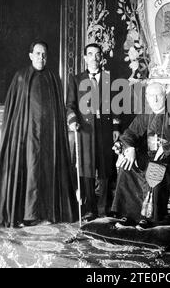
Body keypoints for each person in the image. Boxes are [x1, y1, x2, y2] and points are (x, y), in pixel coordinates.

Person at [0, 41, 78, 228]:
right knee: (29, 172)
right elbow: (14, 111)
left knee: (46, 173)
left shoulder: (53, 78)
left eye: (44, 54)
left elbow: (58, 110)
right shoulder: (21, 78)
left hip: (48, 138)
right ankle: (27, 215)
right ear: (31, 55)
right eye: (37, 54)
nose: (41, 57)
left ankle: (46, 213)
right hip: (26, 138)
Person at [111, 82, 170, 229]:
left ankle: (150, 218)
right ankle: (129, 215)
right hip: (149, 156)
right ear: (146, 97)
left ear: (165, 96)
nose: (154, 100)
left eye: (158, 96)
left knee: (154, 171)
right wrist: (130, 148)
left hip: (169, 158)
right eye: (151, 96)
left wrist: (168, 146)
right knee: (127, 168)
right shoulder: (146, 112)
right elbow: (129, 133)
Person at [66, 43, 120, 222]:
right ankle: (89, 210)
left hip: (105, 130)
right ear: (84, 58)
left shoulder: (109, 78)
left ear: (101, 57)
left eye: (97, 54)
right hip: (85, 130)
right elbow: (70, 105)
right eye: (90, 54)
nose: (94, 58)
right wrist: (73, 120)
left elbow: (116, 107)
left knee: (105, 168)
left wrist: (115, 128)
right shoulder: (75, 79)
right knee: (87, 169)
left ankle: (104, 209)